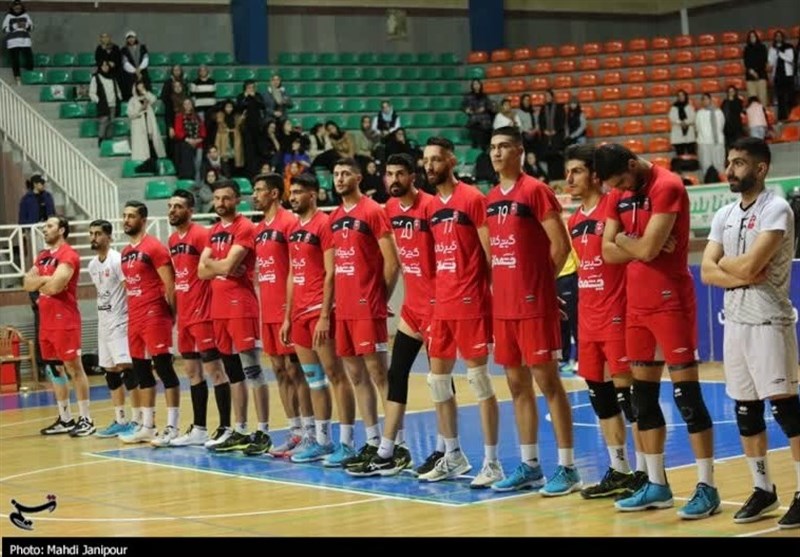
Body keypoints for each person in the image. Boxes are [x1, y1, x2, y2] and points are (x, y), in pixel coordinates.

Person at [597, 143, 720, 519]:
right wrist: (636, 244)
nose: (620, 189)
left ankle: (707, 487)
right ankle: (656, 484)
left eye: (622, 181)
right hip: (636, 304)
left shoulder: (668, 186)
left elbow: (647, 250)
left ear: (633, 164)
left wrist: (626, 240)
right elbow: (607, 252)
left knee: (687, 398)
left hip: (670, 301)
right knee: (642, 401)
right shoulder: (618, 192)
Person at [700, 137, 799, 529]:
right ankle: (763, 489)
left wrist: (731, 266)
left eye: (739, 163)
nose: (730, 170)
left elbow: (750, 266)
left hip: (768, 321)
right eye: (729, 162)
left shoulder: (777, 208)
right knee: (745, 409)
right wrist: (737, 269)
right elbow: (708, 271)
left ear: (761, 168)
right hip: (736, 322)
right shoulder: (724, 213)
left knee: (787, 410)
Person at [482, 127, 579, 495]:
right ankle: (530, 465)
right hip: (503, 308)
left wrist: (542, 288)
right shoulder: (491, 198)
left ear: (519, 151)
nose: (497, 153)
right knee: (516, 386)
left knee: (549, 383)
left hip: (533, 307)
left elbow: (561, 245)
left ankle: (568, 468)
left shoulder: (536, 190)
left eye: (504, 146)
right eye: (493, 147)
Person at [564, 144, 648, 499]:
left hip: (617, 314)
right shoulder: (573, 221)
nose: (569, 179)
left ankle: (646, 472)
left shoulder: (615, 207)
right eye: (567, 172)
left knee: (630, 399)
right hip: (588, 318)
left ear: (595, 175)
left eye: (577, 171)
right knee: (600, 398)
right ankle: (620, 469)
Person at [418, 137, 503, 488]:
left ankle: (492, 462)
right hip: (442, 303)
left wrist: (492, 296)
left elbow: (491, 255)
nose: (429, 166)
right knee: (437, 382)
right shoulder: (429, 207)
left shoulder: (472, 199)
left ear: (451, 161)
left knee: (479, 381)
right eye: (426, 160)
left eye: (436, 160)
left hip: (471, 303)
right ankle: (453, 455)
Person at [347, 153, 433, 477]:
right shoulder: (390, 209)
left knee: (440, 382)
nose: (394, 179)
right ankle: (388, 450)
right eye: (389, 173)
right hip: (413, 308)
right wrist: (377, 298)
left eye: (400, 173)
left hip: (438, 306)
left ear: (413, 176)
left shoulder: (430, 207)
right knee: (396, 375)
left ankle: (448, 450)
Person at [327, 157, 400, 469]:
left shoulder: (373, 211)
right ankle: (371, 440)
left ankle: (395, 443)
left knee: (379, 374)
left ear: (358, 177)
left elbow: (392, 262)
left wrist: (379, 298)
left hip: (367, 307)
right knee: (355, 375)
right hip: (343, 309)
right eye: (336, 173)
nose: (340, 178)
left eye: (345, 173)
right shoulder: (333, 217)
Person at [281, 174, 357, 463]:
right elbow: (292, 273)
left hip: (319, 311)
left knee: (336, 375)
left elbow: (331, 272)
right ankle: (322, 441)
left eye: (299, 192)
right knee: (314, 380)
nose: (293, 197)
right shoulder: (293, 228)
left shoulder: (324, 224)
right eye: (291, 192)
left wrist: (325, 315)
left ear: (313, 195)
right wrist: (288, 317)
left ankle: (347, 443)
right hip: (299, 314)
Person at [198, 180, 272, 453]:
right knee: (233, 372)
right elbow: (201, 271)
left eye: (226, 198)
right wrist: (222, 267)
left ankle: (263, 430)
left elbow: (227, 266)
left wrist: (218, 266)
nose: (220, 203)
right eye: (217, 198)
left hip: (241, 306)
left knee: (252, 369)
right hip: (219, 308)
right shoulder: (214, 230)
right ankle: (240, 429)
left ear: (237, 199)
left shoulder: (245, 227)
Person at [251, 174, 316, 456]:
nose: (254, 195)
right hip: (267, 310)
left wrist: (290, 311)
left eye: (259, 190)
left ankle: (310, 432)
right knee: (279, 370)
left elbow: (297, 267)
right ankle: (295, 431)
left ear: (275, 193)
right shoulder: (258, 229)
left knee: (295, 370)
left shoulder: (289, 222)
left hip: (288, 309)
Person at [166, 189, 234, 448]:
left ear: (190, 210)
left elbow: (216, 266)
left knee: (215, 371)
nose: (172, 210)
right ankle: (199, 429)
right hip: (185, 315)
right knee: (192, 372)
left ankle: (226, 427)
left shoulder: (202, 234)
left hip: (203, 314)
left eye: (178, 206)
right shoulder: (173, 239)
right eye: (170, 206)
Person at [24, 216, 95, 437]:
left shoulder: (68, 255)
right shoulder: (42, 256)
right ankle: (65, 419)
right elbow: (27, 283)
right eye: (44, 226)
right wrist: (46, 280)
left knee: (74, 368)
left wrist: (42, 282)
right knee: (54, 370)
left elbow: (56, 287)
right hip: (46, 321)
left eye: (50, 226)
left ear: (62, 230)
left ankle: (86, 419)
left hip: (65, 320)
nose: (45, 230)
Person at [117, 201, 181, 445]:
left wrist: (171, 315)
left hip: (155, 315)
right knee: (141, 371)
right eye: (124, 216)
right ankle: (147, 426)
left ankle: (172, 426)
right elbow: (129, 285)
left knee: (164, 369)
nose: (126, 220)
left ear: (143, 220)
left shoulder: (154, 247)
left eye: (131, 216)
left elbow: (170, 285)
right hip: (134, 317)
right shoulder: (125, 252)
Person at [87, 219, 140, 439]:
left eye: (98, 234)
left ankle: (138, 420)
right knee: (110, 371)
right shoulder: (92, 265)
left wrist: (132, 319)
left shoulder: (117, 260)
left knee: (126, 368)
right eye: (91, 233)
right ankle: (120, 420)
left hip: (121, 320)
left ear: (109, 237)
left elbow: (130, 290)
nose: (93, 237)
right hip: (104, 322)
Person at [89, 60, 123, 148]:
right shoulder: (96, 77)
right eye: (103, 65)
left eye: (107, 65)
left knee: (111, 123)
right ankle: (101, 141)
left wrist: (119, 98)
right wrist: (98, 100)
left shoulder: (112, 78)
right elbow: (92, 92)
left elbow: (117, 90)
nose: (105, 67)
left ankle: (109, 142)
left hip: (113, 104)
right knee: (104, 122)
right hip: (103, 105)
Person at [2, 0, 33, 85]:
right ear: (12, 8)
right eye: (16, 8)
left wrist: (26, 26)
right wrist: (16, 26)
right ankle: (17, 78)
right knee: (15, 60)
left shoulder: (26, 15)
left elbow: (31, 27)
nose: (17, 10)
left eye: (19, 8)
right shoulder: (8, 16)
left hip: (25, 41)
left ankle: (30, 75)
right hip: (13, 42)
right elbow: (4, 29)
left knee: (29, 58)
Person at [120, 30, 149, 101]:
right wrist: (135, 71)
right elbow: (125, 63)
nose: (131, 39)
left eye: (132, 37)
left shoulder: (142, 47)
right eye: (129, 38)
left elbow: (145, 59)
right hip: (130, 75)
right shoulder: (124, 50)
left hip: (142, 72)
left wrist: (140, 69)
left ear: (135, 38)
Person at [744, 30, 769, 107]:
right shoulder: (746, 49)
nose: (752, 38)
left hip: (761, 75)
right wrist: (751, 71)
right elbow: (746, 62)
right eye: (750, 37)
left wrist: (756, 72)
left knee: (762, 99)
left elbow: (764, 60)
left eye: (753, 36)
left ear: (756, 37)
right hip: (750, 77)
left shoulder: (762, 47)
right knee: (752, 100)